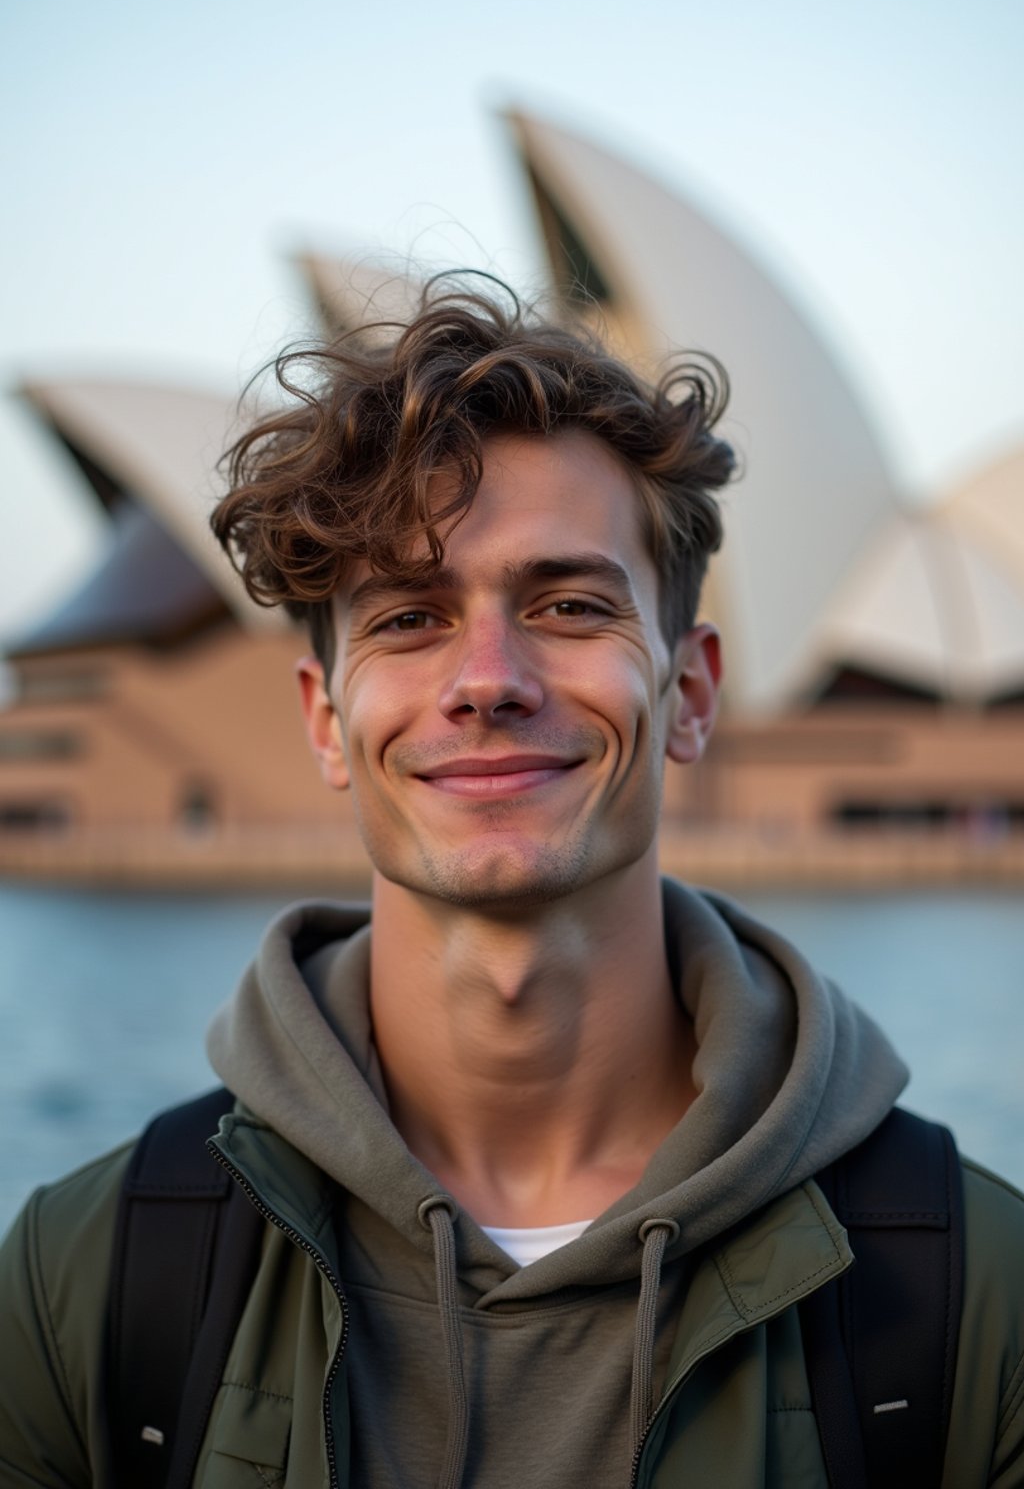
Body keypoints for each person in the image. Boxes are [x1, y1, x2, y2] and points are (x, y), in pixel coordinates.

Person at [2, 276, 1022, 1489]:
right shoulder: (88, 1280)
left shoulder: (976, 1295)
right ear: (326, 721)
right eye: (408, 617)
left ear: (690, 692)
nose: (487, 677)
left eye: (570, 603)